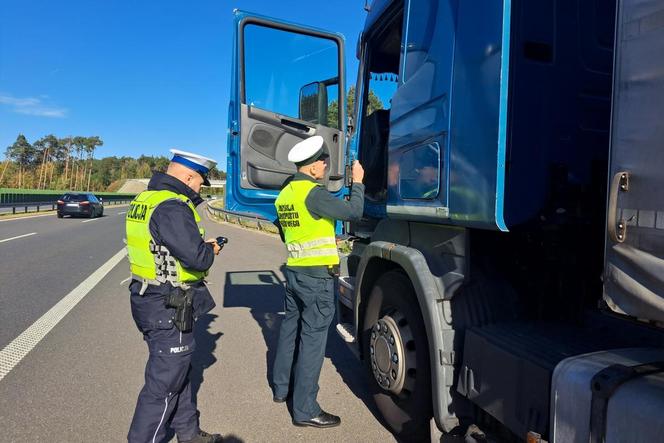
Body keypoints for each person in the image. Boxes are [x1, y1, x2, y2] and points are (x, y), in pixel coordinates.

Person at [125, 149, 224, 443]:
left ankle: (188, 433)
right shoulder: (172, 206)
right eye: (199, 183)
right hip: (168, 302)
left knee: (179, 372)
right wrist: (211, 249)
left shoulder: (145, 199)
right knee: (164, 385)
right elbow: (197, 258)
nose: (198, 189)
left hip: (147, 296)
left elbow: (165, 245)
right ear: (189, 176)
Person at [271, 135, 365, 428]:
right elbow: (354, 212)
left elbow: (288, 232)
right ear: (312, 167)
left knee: (290, 330)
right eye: (323, 163)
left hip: (295, 271)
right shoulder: (314, 193)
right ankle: (305, 409)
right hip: (317, 278)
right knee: (312, 342)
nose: (325, 168)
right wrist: (358, 182)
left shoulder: (284, 195)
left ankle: (281, 389)